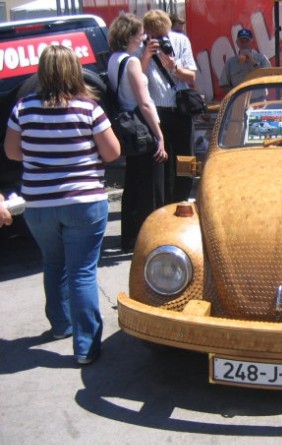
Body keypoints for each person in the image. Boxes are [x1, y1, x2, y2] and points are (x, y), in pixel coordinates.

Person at [4, 45, 121, 365]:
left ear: (42, 72)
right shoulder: (89, 108)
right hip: (84, 202)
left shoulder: (23, 108)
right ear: (74, 70)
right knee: (82, 271)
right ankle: (85, 347)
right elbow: (112, 152)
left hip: (39, 204)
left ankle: (61, 325)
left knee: (53, 263)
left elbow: (12, 152)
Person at [108, 13, 168, 252]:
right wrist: (160, 136)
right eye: (140, 34)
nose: (143, 38)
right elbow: (144, 102)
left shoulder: (114, 59)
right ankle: (150, 238)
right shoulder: (131, 61)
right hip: (142, 125)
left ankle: (131, 238)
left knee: (133, 184)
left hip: (127, 126)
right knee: (150, 186)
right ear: (130, 36)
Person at [141, 9, 197, 204]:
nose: (159, 39)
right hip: (157, 111)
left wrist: (174, 67)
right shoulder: (142, 45)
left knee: (185, 158)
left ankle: (183, 198)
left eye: (162, 34)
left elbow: (191, 76)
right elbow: (137, 79)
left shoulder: (180, 41)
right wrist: (146, 56)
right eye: (154, 35)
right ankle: (163, 202)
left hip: (180, 109)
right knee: (162, 159)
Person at [220, 28, 271, 97]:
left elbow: (269, 78)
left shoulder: (262, 58)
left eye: (247, 41)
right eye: (242, 41)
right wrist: (236, 94)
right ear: (237, 43)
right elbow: (224, 85)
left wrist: (252, 61)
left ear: (252, 42)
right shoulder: (231, 62)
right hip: (239, 101)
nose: (244, 44)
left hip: (259, 100)